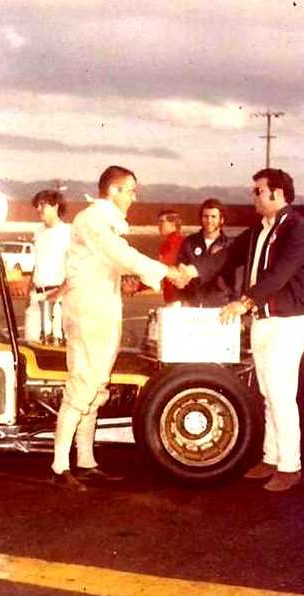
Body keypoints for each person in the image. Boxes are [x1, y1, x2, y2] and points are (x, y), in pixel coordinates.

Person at [177, 168, 304, 492]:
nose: (253, 196)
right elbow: (226, 257)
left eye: (258, 191)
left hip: (289, 320)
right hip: (262, 319)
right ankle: (271, 457)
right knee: (268, 392)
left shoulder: (299, 230)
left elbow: (280, 274)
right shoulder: (257, 231)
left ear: (277, 193)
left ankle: (290, 466)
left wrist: (245, 301)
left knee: (280, 392)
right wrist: (192, 270)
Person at [50, 165, 183, 491]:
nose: (134, 197)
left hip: (101, 312)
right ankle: (59, 466)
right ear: (113, 190)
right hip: (87, 313)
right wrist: (166, 271)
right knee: (83, 384)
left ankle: (85, 462)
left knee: (97, 386)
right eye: (130, 190)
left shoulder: (103, 221)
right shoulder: (92, 220)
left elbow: (112, 264)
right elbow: (120, 255)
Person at [23, 190, 71, 343]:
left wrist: (57, 295)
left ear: (55, 207)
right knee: (30, 343)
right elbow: (38, 262)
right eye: (37, 205)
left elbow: (76, 270)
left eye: (43, 205)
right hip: (36, 297)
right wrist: (29, 290)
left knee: (54, 346)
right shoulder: (39, 232)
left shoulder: (67, 233)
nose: (38, 209)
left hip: (57, 298)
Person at [176, 198, 233, 307]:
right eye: (205, 216)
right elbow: (179, 272)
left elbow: (237, 281)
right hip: (192, 304)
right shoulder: (189, 242)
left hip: (220, 306)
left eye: (213, 217)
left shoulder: (229, 246)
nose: (209, 220)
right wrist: (183, 300)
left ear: (221, 220)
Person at [155, 210, 184, 303]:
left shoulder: (171, 243)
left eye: (162, 221)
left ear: (173, 224)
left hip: (175, 295)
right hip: (177, 295)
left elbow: (163, 268)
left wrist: (138, 286)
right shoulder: (179, 241)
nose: (159, 225)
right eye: (158, 222)